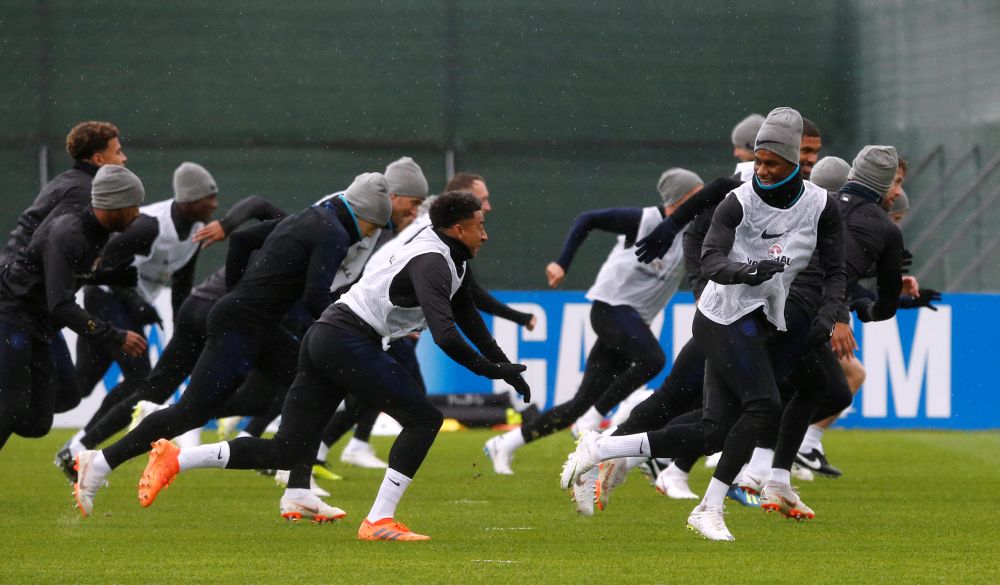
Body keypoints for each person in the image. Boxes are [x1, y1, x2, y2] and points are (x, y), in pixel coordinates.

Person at [129, 192, 530, 542]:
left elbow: (467, 314)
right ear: (458, 230)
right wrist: (488, 370)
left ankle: (177, 458)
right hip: (347, 339)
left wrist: (502, 364)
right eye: (480, 226)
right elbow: (444, 333)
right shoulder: (433, 263)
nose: (486, 233)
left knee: (286, 450)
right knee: (423, 418)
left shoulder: (450, 255)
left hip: (328, 335)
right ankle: (378, 520)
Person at [561, 107, 845, 541]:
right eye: (758, 160)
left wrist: (828, 316)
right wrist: (734, 271)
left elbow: (836, 269)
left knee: (713, 429)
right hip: (723, 314)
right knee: (762, 404)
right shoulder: (740, 195)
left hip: (765, 319)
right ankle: (712, 498)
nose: (763, 170)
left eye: (775, 162)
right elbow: (711, 249)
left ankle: (605, 448)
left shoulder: (821, 204)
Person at [71, 173, 392, 518]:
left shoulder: (309, 217)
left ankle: (299, 489)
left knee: (319, 384)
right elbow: (316, 297)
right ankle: (100, 462)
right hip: (242, 326)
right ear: (362, 214)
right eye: (375, 225)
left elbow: (241, 238)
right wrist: (351, 325)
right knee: (190, 412)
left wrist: (238, 292)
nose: (373, 233)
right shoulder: (334, 233)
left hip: (252, 323)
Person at [483, 168, 703, 483]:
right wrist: (562, 262)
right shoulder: (643, 220)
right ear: (679, 200)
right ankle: (594, 419)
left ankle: (505, 443)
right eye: (698, 196)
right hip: (609, 309)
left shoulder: (693, 232)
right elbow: (588, 219)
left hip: (632, 320)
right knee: (653, 360)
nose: (705, 203)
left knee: (578, 405)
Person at [54, 196, 288, 480]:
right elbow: (255, 209)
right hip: (222, 314)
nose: (214, 203)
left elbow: (255, 210)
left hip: (201, 306)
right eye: (208, 197)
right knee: (253, 396)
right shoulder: (317, 238)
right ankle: (298, 476)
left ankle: (81, 447)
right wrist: (226, 226)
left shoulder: (297, 230)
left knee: (139, 388)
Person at [0, 166, 146, 450]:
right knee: (12, 408)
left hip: (37, 321)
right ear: (113, 203)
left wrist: (108, 275)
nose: (138, 213)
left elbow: (64, 273)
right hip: (12, 312)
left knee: (45, 416)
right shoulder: (69, 232)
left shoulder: (97, 232)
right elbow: (61, 305)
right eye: (133, 205)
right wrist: (115, 336)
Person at [0, 121, 128, 414]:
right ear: (98, 159)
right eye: (118, 152)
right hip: (19, 301)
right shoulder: (85, 194)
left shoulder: (68, 181)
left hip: (36, 304)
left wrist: (105, 274)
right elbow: (54, 246)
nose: (124, 159)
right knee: (14, 405)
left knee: (64, 394)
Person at [73, 162, 220, 405]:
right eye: (209, 198)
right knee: (139, 378)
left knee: (81, 386)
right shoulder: (148, 226)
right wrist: (137, 303)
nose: (215, 204)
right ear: (189, 199)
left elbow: (182, 283)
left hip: (130, 303)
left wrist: (180, 328)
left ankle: (20, 400)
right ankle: (82, 443)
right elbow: (102, 267)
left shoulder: (199, 230)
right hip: (104, 297)